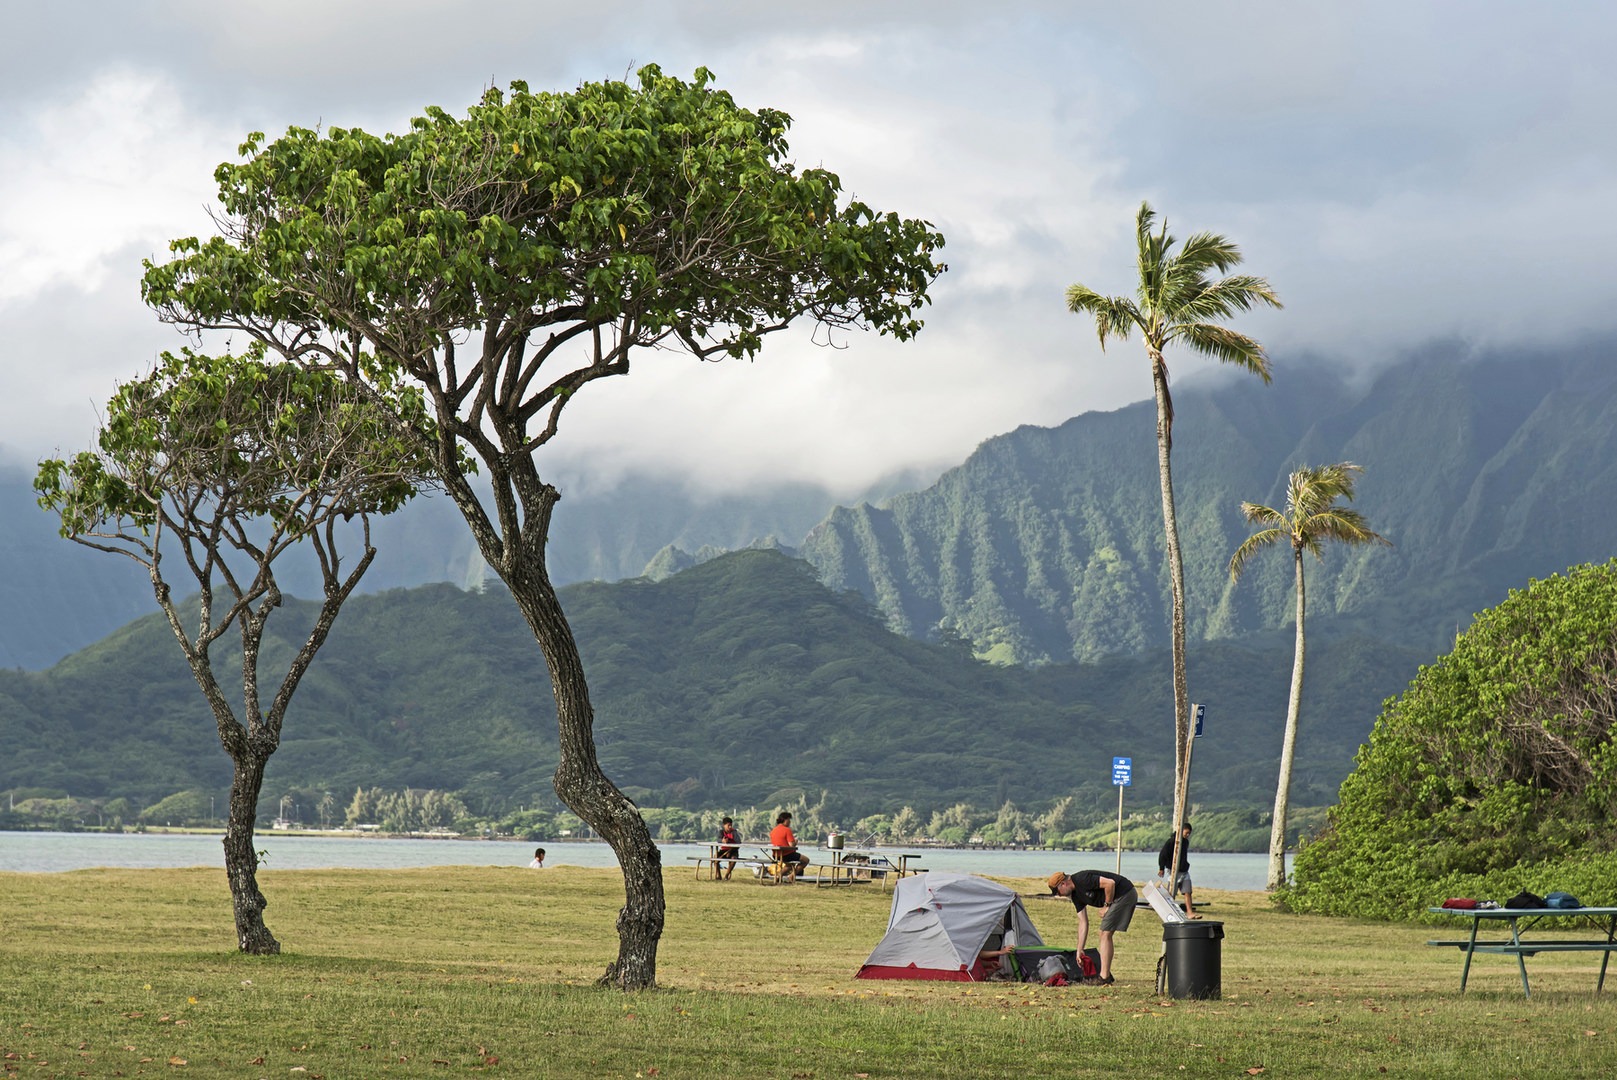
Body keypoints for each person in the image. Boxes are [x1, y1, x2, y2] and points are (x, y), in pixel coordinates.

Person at [1047, 868, 1137, 985]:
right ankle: (1105, 975)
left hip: (1124, 893)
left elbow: (1110, 883)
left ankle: (1104, 977)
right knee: (1105, 933)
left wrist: (1106, 906)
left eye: (1058, 892)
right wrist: (1080, 949)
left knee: (1105, 933)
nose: (1059, 895)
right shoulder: (1075, 895)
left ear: (1063, 884)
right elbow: (1083, 922)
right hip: (1117, 898)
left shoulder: (1082, 879)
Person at [1157, 821, 1200, 918]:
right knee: (1171, 893)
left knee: (1188, 892)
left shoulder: (1186, 842)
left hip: (1184, 871)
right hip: (1173, 870)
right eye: (1186, 833)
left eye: (1189, 833)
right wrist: (1161, 868)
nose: (1188, 835)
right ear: (1181, 831)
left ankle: (1190, 912)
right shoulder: (1171, 841)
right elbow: (1162, 855)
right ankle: (1163, 907)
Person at [768, 811, 810, 883]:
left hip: (776, 855)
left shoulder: (773, 830)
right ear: (785, 820)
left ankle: (778, 877)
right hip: (787, 854)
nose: (790, 822)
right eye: (789, 820)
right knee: (806, 860)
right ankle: (792, 875)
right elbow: (792, 845)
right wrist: (796, 842)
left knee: (788, 865)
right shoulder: (787, 830)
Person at [715, 816, 741, 880]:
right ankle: (719, 876)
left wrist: (730, 844)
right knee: (715, 858)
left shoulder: (734, 832)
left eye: (731, 825)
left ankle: (726, 875)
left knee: (733, 859)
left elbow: (738, 842)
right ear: (724, 825)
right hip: (723, 850)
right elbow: (718, 839)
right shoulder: (721, 832)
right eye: (728, 825)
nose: (730, 827)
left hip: (733, 851)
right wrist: (722, 841)